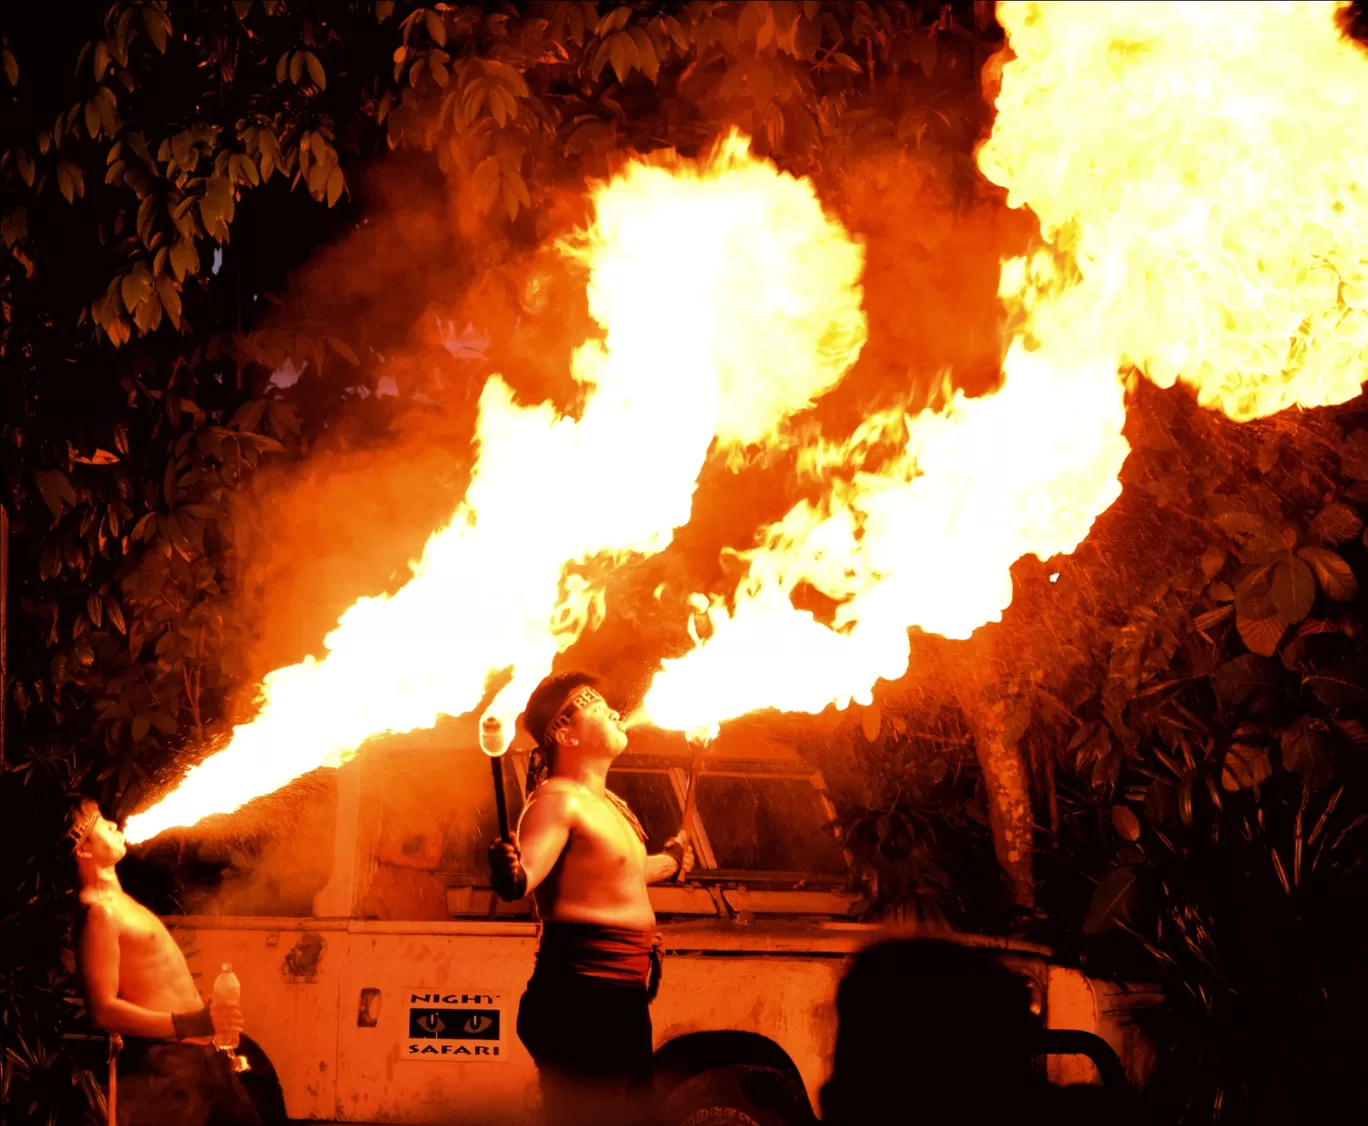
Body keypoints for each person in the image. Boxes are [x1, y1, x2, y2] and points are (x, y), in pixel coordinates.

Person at [488, 672, 694, 1125]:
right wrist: (510, 872)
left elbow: (625, 873)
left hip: (619, 999)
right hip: (580, 1001)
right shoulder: (557, 801)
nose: (616, 712)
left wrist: (673, 860)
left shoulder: (608, 805)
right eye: (597, 708)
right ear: (565, 733)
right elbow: (524, 878)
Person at [68, 798, 285, 1126]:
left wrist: (208, 1019)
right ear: (84, 851)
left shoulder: (121, 903)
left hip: (204, 1054)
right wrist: (187, 1024)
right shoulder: (99, 914)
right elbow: (103, 1010)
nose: (113, 824)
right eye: (100, 823)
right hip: (169, 1065)